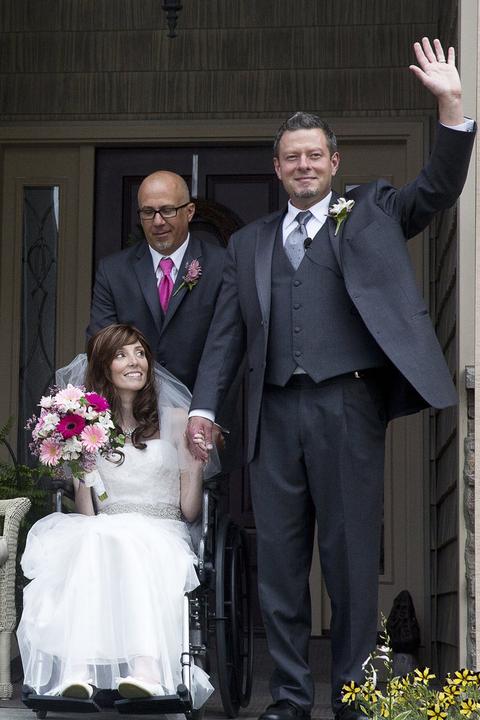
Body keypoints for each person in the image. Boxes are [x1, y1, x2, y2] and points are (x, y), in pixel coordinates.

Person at [186, 38, 476, 720]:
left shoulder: (372, 211)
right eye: (292, 157)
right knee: (282, 567)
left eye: (315, 155)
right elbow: (226, 338)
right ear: (277, 168)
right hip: (273, 415)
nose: (304, 165)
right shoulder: (248, 243)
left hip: (348, 406)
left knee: (349, 563)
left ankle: (353, 695)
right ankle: (289, 697)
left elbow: (437, 189)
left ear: (334, 162)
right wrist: (202, 408)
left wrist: (451, 106)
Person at [18, 324, 213, 706]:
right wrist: (79, 464)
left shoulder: (177, 420)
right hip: (103, 530)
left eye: (140, 353)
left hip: (162, 532)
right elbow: (89, 514)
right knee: (93, 539)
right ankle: (78, 674)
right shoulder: (89, 428)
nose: (134, 362)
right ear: (104, 367)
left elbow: (190, 510)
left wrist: (196, 463)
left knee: (119, 540)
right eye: (122, 355)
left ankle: (146, 671)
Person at [87, 171, 226, 393]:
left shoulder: (222, 266)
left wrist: (204, 408)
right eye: (148, 212)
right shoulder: (113, 271)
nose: (158, 221)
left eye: (168, 210)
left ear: (189, 212)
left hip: (201, 405)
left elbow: (227, 346)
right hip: (133, 404)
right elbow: (103, 343)